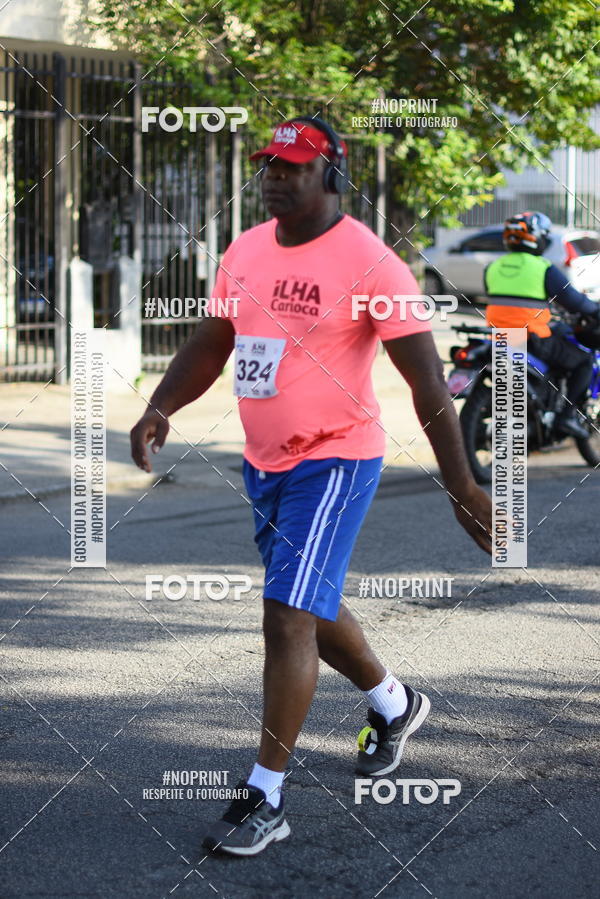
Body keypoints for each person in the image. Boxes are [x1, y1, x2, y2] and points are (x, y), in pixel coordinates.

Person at [130, 116, 492, 857]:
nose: (275, 176)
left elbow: (426, 381)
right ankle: (395, 703)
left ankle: (266, 795)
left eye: (294, 165)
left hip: (336, 459)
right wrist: (160, 404)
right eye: (269, 163)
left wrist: (461, 484)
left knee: (287, 613)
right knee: (311, 601)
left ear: (331, 174)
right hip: (265, 463)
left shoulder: (371, 262)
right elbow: (214, 339)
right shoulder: (246, 249)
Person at [484, 211, 600, 440]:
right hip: (532, 339)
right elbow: (573, 301)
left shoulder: (492, 267)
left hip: (499, 337)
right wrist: (595, 310)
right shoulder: (542, 268)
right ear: (538, 238)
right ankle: (566, 416)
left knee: (559, 332)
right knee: (584, 362)